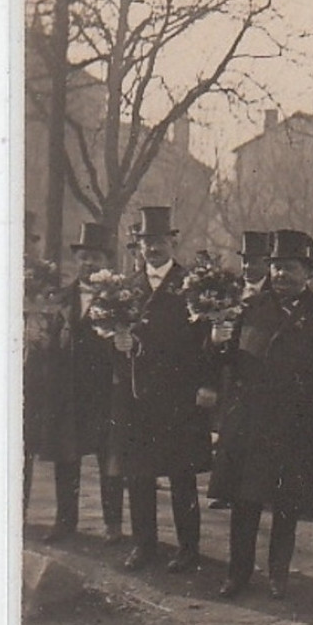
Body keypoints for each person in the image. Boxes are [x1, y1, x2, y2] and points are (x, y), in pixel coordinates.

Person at [209, 230, 313, 599]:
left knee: (287, 507)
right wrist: (218, 342)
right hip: (251, 423)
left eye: (289, 268)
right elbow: (228, 363)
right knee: (245, 502)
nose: (281, 275)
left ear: (307, 272)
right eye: (276, 268)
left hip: (297, 426)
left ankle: (278, 574)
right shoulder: (249, 309)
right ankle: (237, 573)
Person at [111, 206, 214, 573]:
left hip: (178, 396)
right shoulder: (126, 288)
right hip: (137, 397)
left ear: (172, 242)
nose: (152, 249)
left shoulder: (193, 285)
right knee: (138, 474)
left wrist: (206, 384)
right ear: (137, 246)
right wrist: (119, 342)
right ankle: (144, 544)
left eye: (159, 241)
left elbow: (207, 341)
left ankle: (189, 548)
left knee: (180, 475)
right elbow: (113, 334)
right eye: (145, 242)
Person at [36, 223, 125, 545]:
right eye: (84, 257)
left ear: (106, 262)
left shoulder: (120, 299)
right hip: (69, 392)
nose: (89, 264)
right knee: (66, 458)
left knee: (109, 462)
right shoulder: (62, 297)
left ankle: (112, 525)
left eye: (96, 258)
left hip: (104, 392)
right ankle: (65, 521)